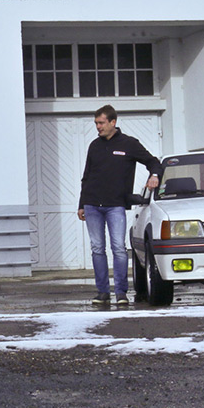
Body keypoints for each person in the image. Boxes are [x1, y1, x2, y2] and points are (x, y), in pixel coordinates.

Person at [77, 105, 160, 307]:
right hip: (92, 205)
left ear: (113, 122)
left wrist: (154, 176)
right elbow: (86, 176)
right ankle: (102, 292)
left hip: (115, 205)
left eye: (101, 123)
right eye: (96, 123)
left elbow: (153, 161)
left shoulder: (129, 144)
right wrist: (81, 204)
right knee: (97, 249)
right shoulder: (94, 146)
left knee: (119, 249)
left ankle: (121, 292)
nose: (98, 127)